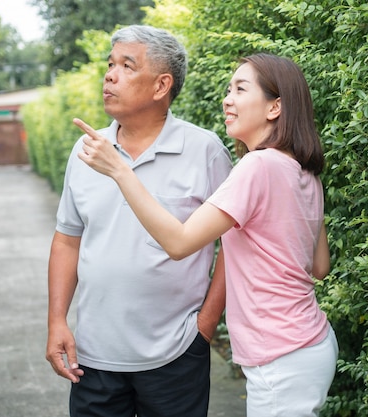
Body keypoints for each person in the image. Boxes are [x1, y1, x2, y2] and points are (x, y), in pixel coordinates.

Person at [75, 53, 339, 417]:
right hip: (311, 343)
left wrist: (121, 171)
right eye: (228, 89)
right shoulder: (304, 171)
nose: (227, 99)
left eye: (240, 89)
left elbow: (179, 243)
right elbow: (319, 266)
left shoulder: (257, 166)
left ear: (275, 107)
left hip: (281, 354)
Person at [45, 25, 233, 417]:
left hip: (176, 354)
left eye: (127, 66)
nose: (110, 75)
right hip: (93, 357)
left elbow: (233, 246)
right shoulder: (87, 150)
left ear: (161, 85)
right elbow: (67, 240)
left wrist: (204, 328)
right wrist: (57, 321)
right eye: (110, 64)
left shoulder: (205, 151)